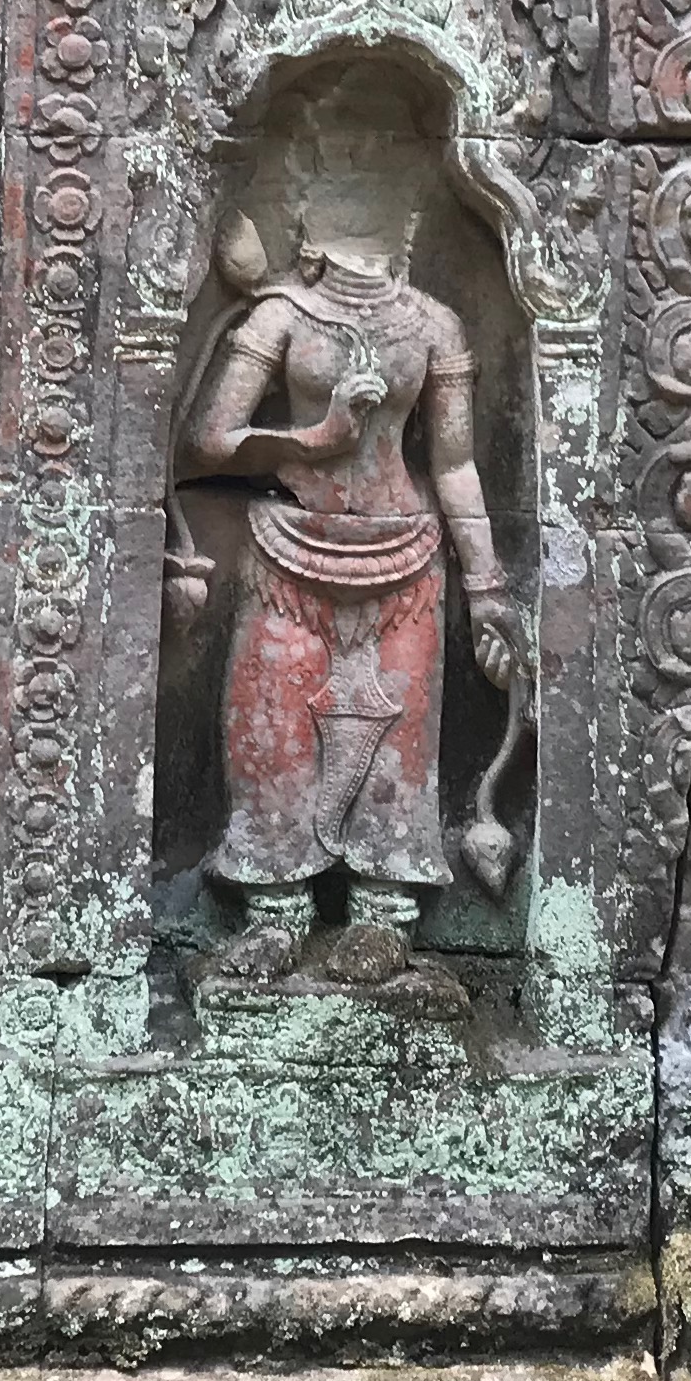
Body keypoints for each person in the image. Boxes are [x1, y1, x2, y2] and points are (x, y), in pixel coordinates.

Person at [183, 80, 512, 1019]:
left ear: (411, 210)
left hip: (406, 556)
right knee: (273, 726)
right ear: (305, 209)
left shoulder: (434, 324)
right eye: (340, 176)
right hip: (290, 549)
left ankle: (383, 911)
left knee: (400, 737)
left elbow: (454, 464)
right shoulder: (279, 316)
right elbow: (209, 439)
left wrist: (488, 584)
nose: (361, 192)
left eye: (381, 177)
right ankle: (276, 910)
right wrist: (317, 437)